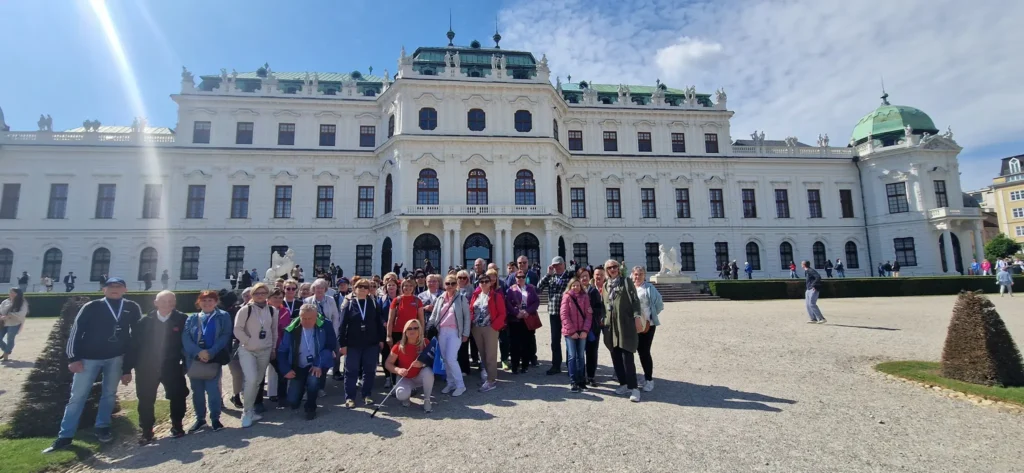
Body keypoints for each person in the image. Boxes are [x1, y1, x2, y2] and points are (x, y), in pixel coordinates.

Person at [45, 277, 141, 453]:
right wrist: (73, 358)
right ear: (103, 289)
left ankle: (102, 427)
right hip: (89, 358)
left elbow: (135, 338)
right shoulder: (92, 306)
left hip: (116, 358)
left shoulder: (132, 307)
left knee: (109, 394)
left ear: (125, 290)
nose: (114, 289)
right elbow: (76, 331)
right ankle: (65, 436)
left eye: (119, 286)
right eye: (110, 286)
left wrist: (127, 368)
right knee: (78, 396)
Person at [125, 290, 188, 444]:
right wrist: (126, 369)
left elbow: (187, 343)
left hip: (172, 366)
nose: (167, 304)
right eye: (163, 301)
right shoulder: (144, 322)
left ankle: (177, 425)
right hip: (146, 368)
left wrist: (187, 363)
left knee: (178, 396)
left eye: (171, 301)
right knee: (145, 399)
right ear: (156, 303)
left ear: (175, 303)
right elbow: (133, 346)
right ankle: (147, 430)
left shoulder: (182, 319)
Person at [183, 290, 232, 433]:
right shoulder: (192, 318)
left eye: (210, 300)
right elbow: (185, 337)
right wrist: (198, 352)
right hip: (195, 359)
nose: (207, 303)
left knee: (213, 390)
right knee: (197, 391)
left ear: (216, 302)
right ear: (199, 302)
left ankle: (215, 418)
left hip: (213, 358)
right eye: (204, 300)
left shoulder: (223, 316)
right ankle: (200, 419)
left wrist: (211, 352)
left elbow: (225, 335)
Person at [278, 304, 338, 420]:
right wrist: (286, 370)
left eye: (309, 318)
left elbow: (330, 346)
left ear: (316, 317)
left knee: (313, 381)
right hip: (298, 364)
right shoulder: (292, 328)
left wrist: (318, 364)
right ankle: (300, 390)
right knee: (293, 401)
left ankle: (310, 407)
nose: (306, 321)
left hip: (316, 363)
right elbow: (282, 351)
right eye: (303, 318)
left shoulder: (325, 325)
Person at [233, 283, 278, 428]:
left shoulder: (272, 310)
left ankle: (251, 409)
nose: (260, 296)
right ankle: (246, 412)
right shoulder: (245, 310)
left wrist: (272, 348)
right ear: (252, 295)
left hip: (265, 350)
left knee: (258, 381)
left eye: (263, 293)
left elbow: (274, 331)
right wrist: (248, 341)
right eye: (257, 293)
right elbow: (237, 329)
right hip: (248, 350)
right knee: (251, 380)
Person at [338, 279, 386, 408]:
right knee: (351, 371)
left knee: (369, 370)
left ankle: (367, 395)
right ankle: (350, 397)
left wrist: (381, 339)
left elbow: (378, 323)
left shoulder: (373, 303)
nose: (363, 289)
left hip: (371, 343)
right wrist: (342, 344)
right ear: (354, 289)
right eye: (360, 286)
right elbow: (342, 326)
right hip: (353, 344)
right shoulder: (349, 304)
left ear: (369, 290)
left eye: (366, 287)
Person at [601, 260, 642, 403]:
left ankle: (634, 388)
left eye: (615, 267)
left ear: (619, 268)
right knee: (615, 356)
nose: (613, 269)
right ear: (606, 270)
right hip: (611, 327)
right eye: (609, 268)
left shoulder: (626, 282)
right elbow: (604, 304)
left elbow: (635, 301)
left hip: (625, 324)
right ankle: (623, 384)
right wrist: (603, 319)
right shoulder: (605, 285)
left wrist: (637, 317)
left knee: (627, 357)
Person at [427, 273, 470, 396]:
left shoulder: (461, 298)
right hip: (442, 331)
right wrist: (429, 328)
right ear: (444, 285)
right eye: (447, 283)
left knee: (451, 358)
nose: (450, 286)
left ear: (456, 285)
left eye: (452, 283)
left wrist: (466, 333)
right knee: (445, 359)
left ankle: (460, 385)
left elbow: (467, 317)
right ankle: (450, 383)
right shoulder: (440, 298)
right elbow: (434, 316)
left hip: (455, 332)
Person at [469, 269, 506, 392]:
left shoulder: (496, 296)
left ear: (490, 283)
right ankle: (487, 377)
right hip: (477, 328)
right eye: (481, 281)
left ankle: (491, 380)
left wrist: (494, 327)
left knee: (490, 354)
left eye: (486, 281)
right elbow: (471, 310)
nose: (484, 283)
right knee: (483, 354)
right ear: (478, 283)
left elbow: (502, 313)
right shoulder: (476, 295)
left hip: (490, 328)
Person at [385, 319, 434, 412]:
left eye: (415, 328)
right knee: (401, 395)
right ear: (405, 331)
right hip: (405, 377)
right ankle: (406, 396)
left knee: (428, 372)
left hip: (419, 376)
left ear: (420, 330)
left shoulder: (425, 343)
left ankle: (427, 399)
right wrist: (398, 370)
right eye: (409, 328)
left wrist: (422, 364)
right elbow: (387, 363)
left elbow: (433, 360)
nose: (412, 330)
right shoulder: (399, 345)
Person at [386, 279, 425, 386]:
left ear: (414, 287)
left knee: (410, 357)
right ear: (401, 287)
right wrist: (389, 335)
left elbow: (421, 319)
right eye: (405, 286)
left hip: (413, 333)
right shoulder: (397, 300)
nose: (408, 288)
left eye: (410, 286)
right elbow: (390, 320)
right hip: (398, 333)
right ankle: (395, 384)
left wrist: (421, 334)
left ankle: (411, 382)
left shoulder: (417, 301)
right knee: (396, 359)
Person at [631, 266, 663, 392]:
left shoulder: (649, 288)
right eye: (636, 274)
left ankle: (649, 379)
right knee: (629, 351)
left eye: (640, 274)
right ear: (632, 275)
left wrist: (650, 318)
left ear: (644, 275)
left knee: (644, 352)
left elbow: (659, 304)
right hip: (632, 325)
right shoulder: (630, 288)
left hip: (647, 326)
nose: (638, 276)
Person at [305, 278, 341, 391]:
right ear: (313, 289)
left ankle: (321, 386)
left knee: (326, 358)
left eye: (322, 288)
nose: (319, 290)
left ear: (325, 289)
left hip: (329, 333)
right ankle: (311, 386)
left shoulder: (331, 300)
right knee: (313, 359)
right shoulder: (307, 301)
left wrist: (334, 333)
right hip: (313, 334)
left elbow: (335, 317)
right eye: (317, 288)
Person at [538, 256, 570, 375]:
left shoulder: (570, 276)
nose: (557, 267)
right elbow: (539, 287)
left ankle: (570, 365)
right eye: (555, 265)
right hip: (553, 312)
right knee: (555, 340)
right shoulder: (551, 277)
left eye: (559, 264)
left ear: (564, 264)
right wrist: (548, 274)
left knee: (569, 339)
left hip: (567, 313)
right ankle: (556, 365)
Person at [560, 277, 592, 393]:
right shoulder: (566, 296)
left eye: (578, 285)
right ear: (570, 286)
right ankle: (573, 381)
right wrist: (572, 331)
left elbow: (589, 315)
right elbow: (564, 315)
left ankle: (581, 380)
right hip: (570, 332)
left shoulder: (585, 297)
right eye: (573, 285)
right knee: (572, 356)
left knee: (581, 356)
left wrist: (585, 330)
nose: (576, 287)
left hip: (582, 331)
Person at [504, 269, 539, 375]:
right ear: (515, 278)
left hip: (527, 318)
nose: (521, 279)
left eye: (523, 277)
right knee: (514, 344)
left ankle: (525, 365)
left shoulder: (530, 288)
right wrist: (516, 313)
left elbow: (536, 302)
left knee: (526, 343)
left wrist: (528, 311)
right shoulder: (511, 290)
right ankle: (515, 365)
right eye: (518, 277)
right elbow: (508, 303)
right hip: (515, 320)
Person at [267, 288, 292, 405]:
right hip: (263, 346)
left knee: (281, 371)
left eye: (280, 298)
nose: (277, 300)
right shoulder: (263, 310)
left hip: (279, 346)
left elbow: (286, 329)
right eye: (275, 297)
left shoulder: (285, 311)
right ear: (269, 298)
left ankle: (282, 398)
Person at [584, 267, 606, 386]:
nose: (598, 277)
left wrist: (594, 310)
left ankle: (591, 375)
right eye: (597, 274)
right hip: (583, 325)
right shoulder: (581, 289)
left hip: (596, 325)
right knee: (581, 351)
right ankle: (582, 374)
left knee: (592, 351)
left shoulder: (596, 290)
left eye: (601, 274)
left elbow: (600, 307)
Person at [0, 287, 29, 361]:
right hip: (3, 323)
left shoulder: (22, 302)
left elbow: (22, 313)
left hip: (14, 323)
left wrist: (10, 315)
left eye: (14, 293)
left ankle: (6, 354)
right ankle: (7, 350)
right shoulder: (5, 301)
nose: (11, 294)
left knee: (10, 339)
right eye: (10, 292)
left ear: (18, 294)